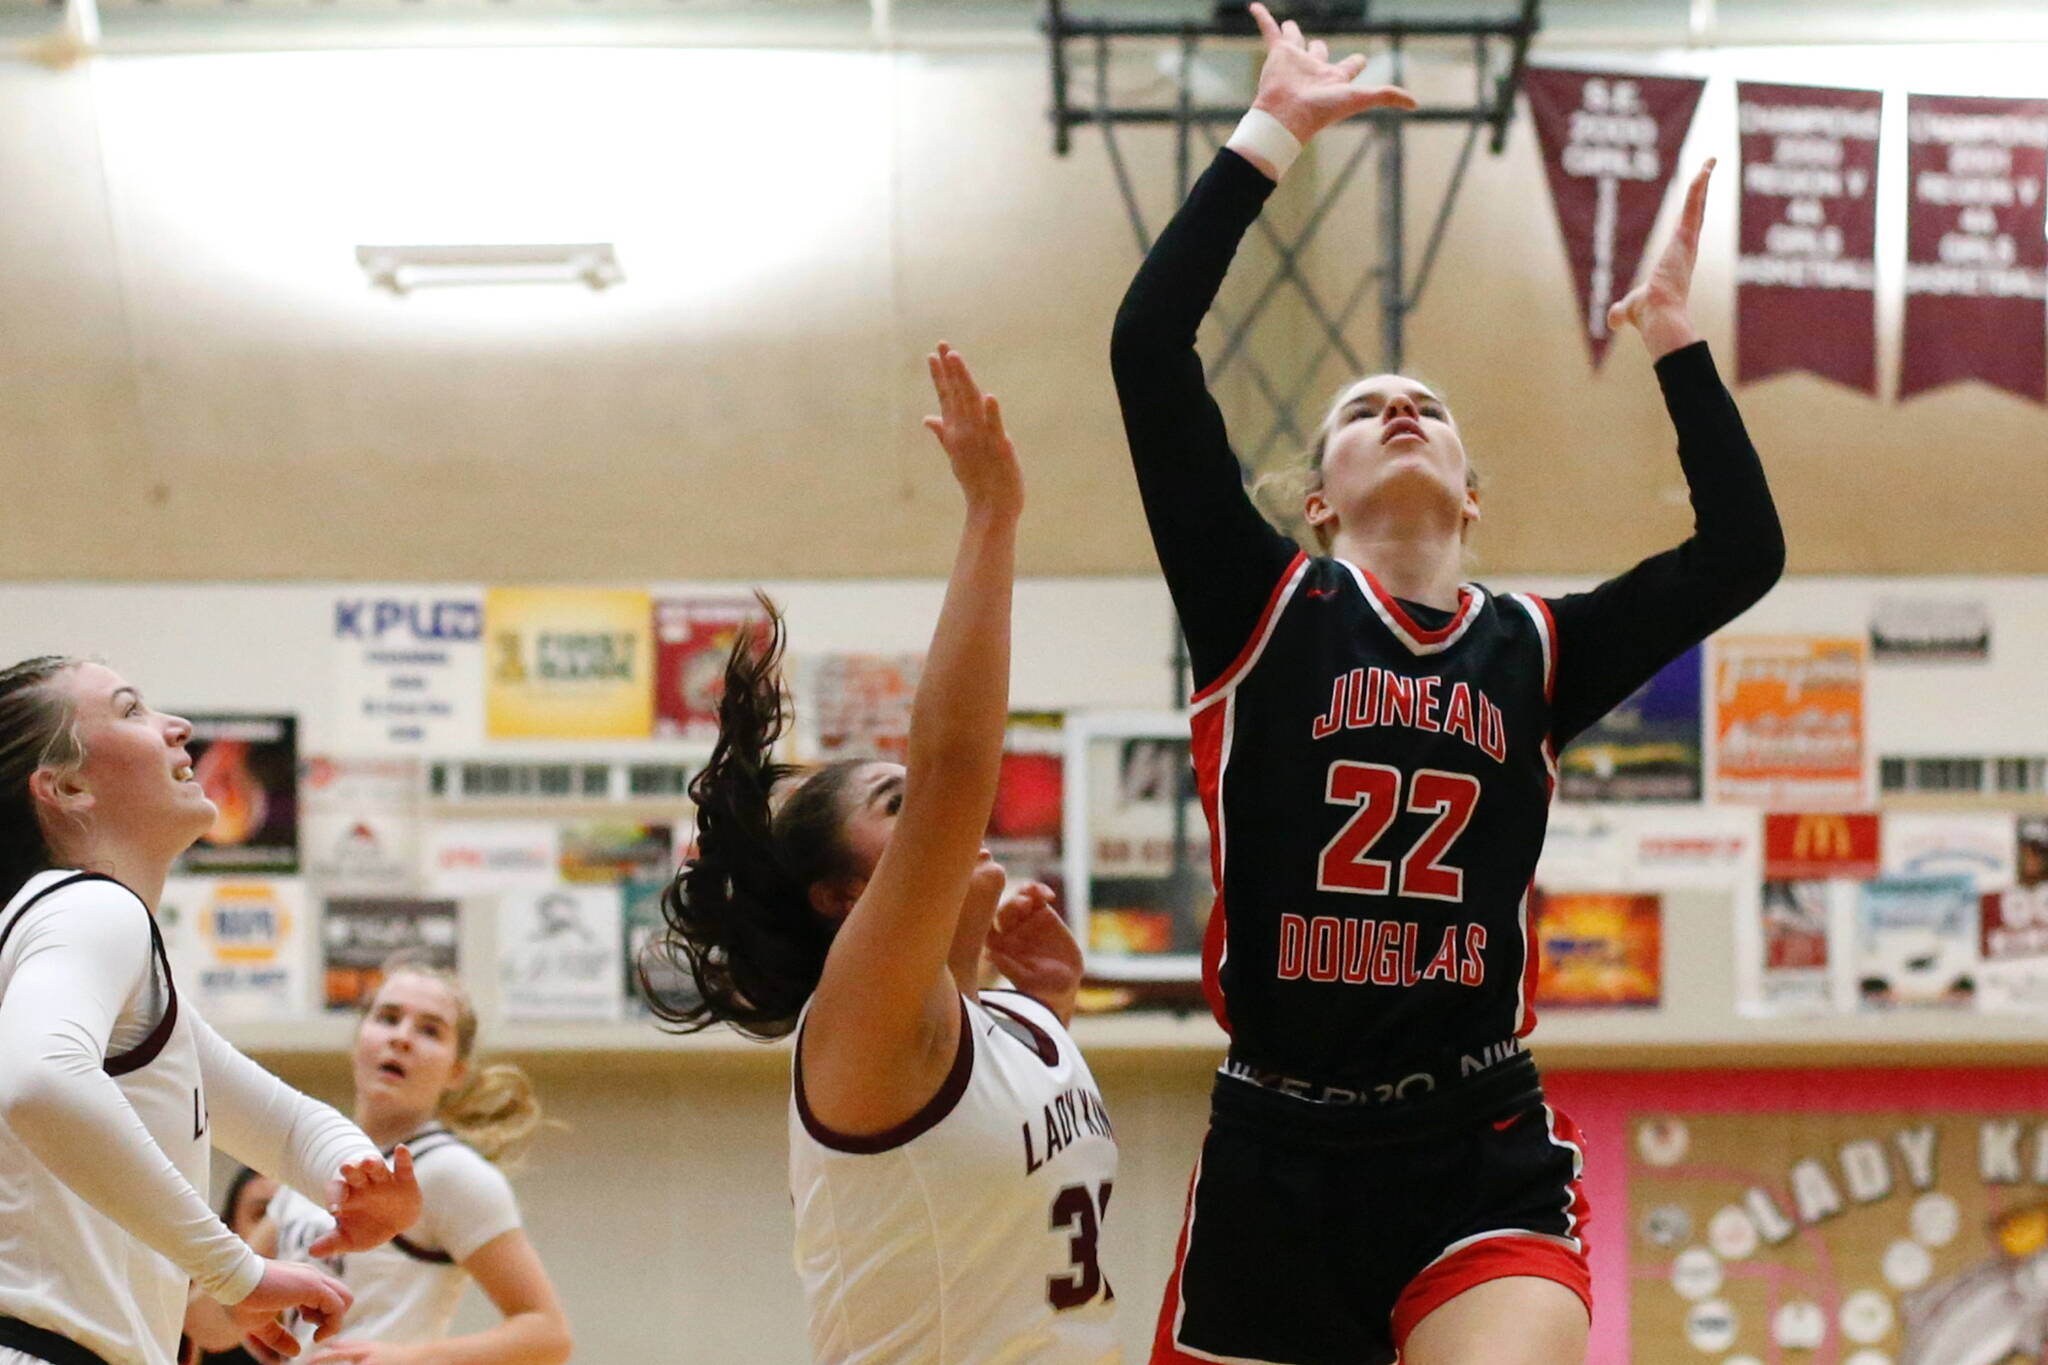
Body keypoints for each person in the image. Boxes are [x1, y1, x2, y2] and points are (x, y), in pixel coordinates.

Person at [1108, 9, 1785, 1363]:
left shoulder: (1535, 646)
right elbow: (1148, 352)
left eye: (1425, 404)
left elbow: (1741, 554)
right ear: (1314, 501)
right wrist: (1271, 134)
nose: (1398, 411)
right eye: (1364, 410)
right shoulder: (1264, 605)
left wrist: (1672, 342)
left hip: (1476, 1142)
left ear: (1474, 493)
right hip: (1276, 1146)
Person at [643, 345, 1118, 1364]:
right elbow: (954, 764)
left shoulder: (976, 1027)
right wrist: (991, 513)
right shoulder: (853, 1018)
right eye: (892, 807)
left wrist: (1049, 1004)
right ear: (842, 894)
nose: (937, 819)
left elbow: (998, 1221)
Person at [0, 657, 423, 1365]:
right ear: (68, 786)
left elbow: (284, 1125)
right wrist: (236, 1271)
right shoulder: (92, 907)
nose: (179, 727)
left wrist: (353, 1176)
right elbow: (42, 1082)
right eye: (131, 710)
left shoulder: (71, 934)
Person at [261, 959, 572, 1365]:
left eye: (429, 1030)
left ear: (456, 1072)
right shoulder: (309, 1159)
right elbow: (216, 1316)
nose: (401, 1038)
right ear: (359, 1040)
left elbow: (547, 1334)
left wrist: (412, 1359)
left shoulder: (450, 1171)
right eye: (387, 1018)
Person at [183, 1167, 282, 1365]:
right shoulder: (202, 1323)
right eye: (262, 1214)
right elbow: (198, 1324)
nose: (283, 1231)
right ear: (231, 1232)